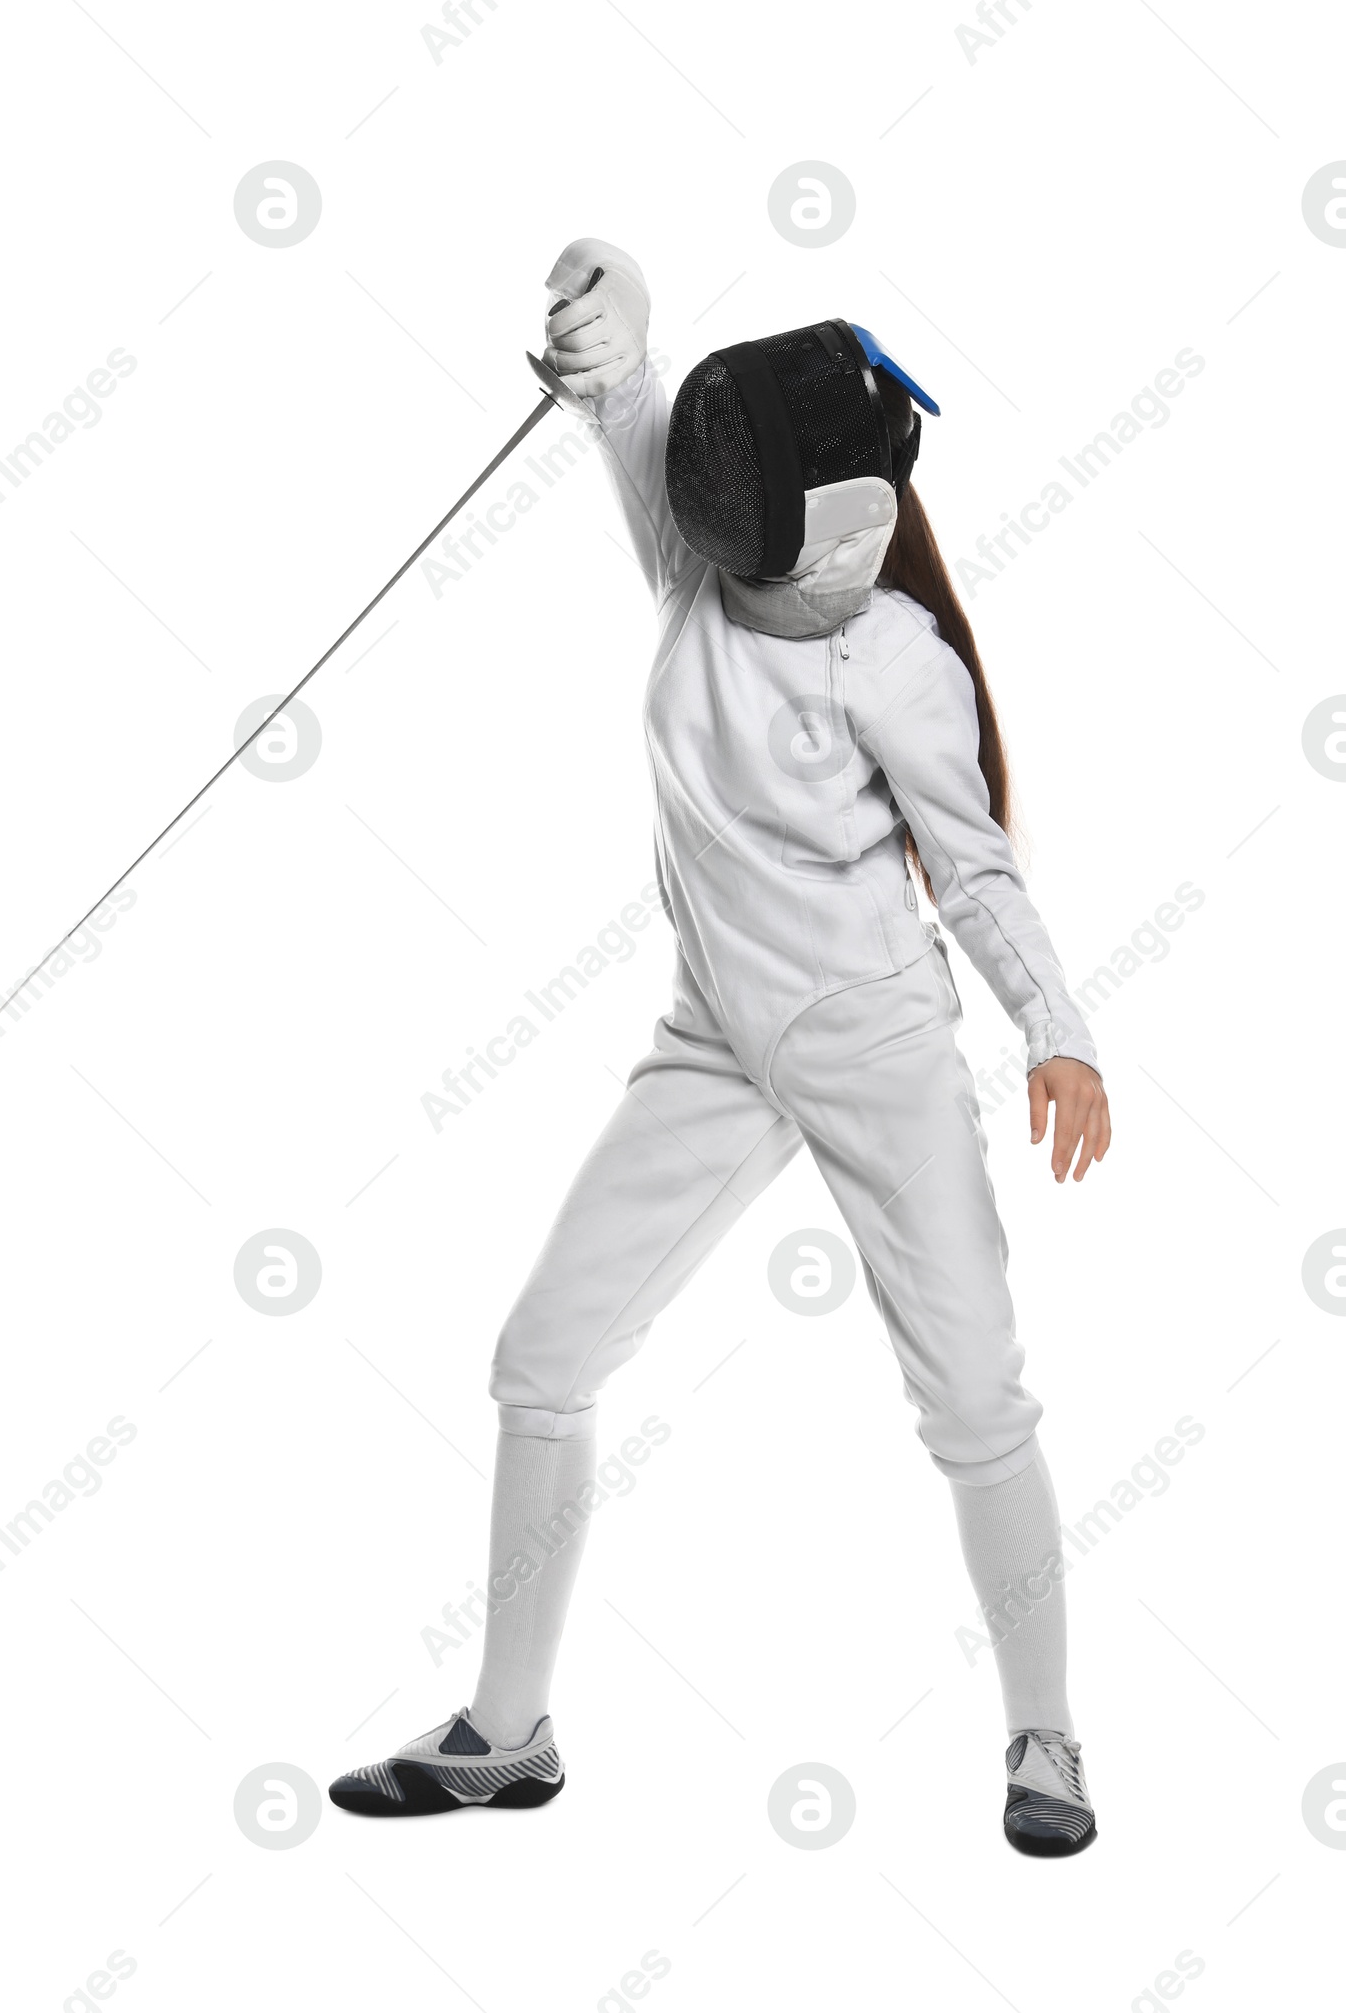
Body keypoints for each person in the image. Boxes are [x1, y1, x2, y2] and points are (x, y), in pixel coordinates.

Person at [330, 239, 1110, 1856]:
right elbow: (623, 405)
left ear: (823, 510)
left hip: (875, 1043)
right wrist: (605, 312)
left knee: (974, 1397)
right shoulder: (698, 566)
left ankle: (1046, 1739)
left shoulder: (891, 658)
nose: (705, 481)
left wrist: (1058, 1028)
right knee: (540, 1358)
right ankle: (507, 1730)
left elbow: (969, 861)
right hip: (713, 1039)